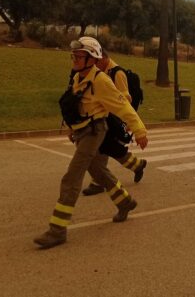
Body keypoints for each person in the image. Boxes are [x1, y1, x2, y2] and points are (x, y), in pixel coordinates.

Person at [34, 37, 148, 249]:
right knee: (98, 172)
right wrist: (73, 129)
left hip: (94, 133)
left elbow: (123, 106)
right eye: (74, 56)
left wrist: (140, 130)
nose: (75, 59)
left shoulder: (101, 81)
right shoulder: (79, 77)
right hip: (83, 132)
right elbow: (80, 106)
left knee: (71, 177)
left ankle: (57, 231)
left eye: (79, 56)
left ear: (91, 58)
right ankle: (125, 202)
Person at [82, 48, 147, 196]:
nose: (94, 64)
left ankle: (99, 182)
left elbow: (125, 100)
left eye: (96, 61)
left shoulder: (117, 73)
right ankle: (137, 165)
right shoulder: (100, 73)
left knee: (104, 148)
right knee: (109, 149)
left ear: (104, 58)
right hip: (104, 118)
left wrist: (129, 124)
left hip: (113, 119)